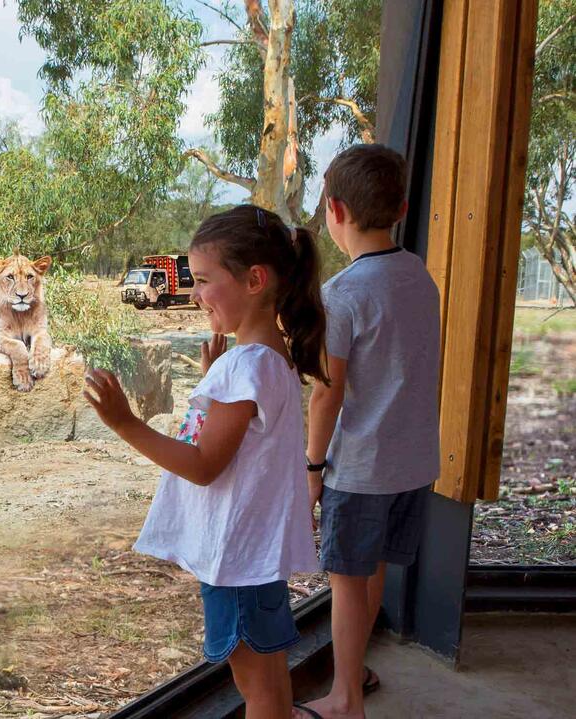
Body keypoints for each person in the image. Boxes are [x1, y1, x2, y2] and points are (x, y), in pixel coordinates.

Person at [86, 204, 327, 719]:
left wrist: (125, 422)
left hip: (239, 561)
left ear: (255, 279)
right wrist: (218, 374)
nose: (194, 294)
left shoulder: (247, 366)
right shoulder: (268, 356)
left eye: (202, 280)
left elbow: (203, 466)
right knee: (267, 676)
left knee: (255, 685)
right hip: (253, 556)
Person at [304, 144, 441, 719]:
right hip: (413, 465)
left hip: (360, 468)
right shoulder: (420, 277)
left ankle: (343, 700)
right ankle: (354, 671)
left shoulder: (342, 295)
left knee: (344, 578)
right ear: (403, 207)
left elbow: (326, 392)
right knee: (373, 568)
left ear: (334, 211)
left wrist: (312, 467)